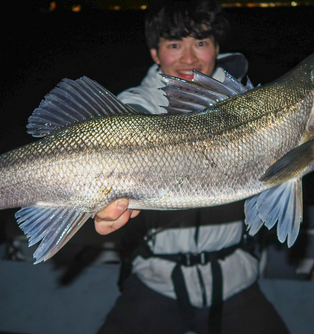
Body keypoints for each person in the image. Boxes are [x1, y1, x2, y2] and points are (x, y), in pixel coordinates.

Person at [95, 1, 290, 333]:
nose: (189, 58)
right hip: (156, 280)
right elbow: (119, 128)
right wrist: (97, 208)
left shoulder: (251, 104)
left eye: (200, 42)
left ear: (216, 48)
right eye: (174, 45)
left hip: (235, 280)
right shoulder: (131, 105)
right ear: (155, 54)